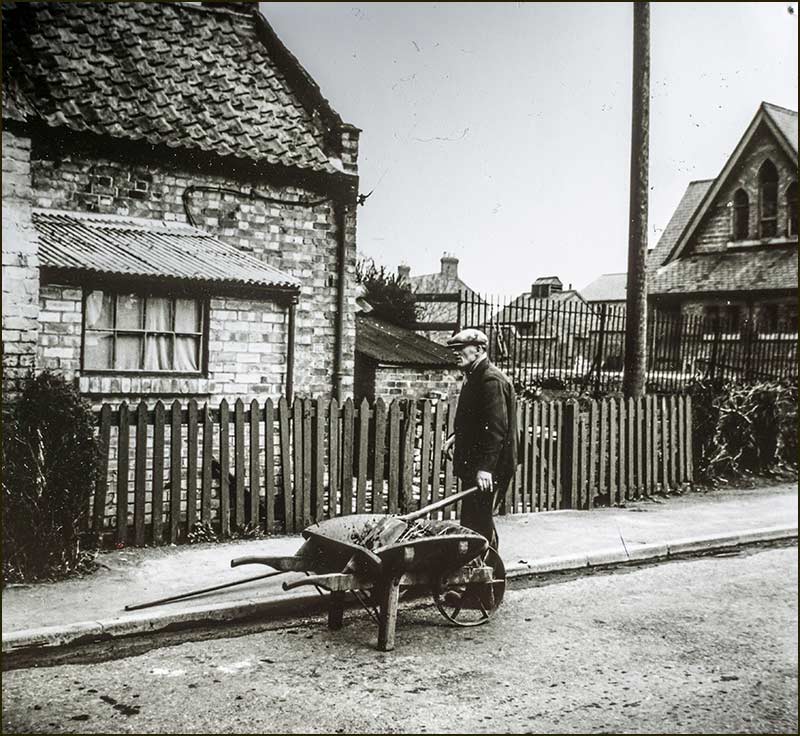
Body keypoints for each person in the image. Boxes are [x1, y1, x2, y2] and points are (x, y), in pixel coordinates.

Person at [443, 328, 517, 551]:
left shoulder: (490, 380)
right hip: (479, 464)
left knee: (478, 524)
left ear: (479, 349)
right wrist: (456, 437)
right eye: (454, 349)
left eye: (460, 348)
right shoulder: (475, 376)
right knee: (473, 523)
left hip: (489, 468)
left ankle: (484, 581)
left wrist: (485, 468)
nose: (456, 353)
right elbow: (479, 420)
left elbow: (496, 430)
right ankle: (479, 575)